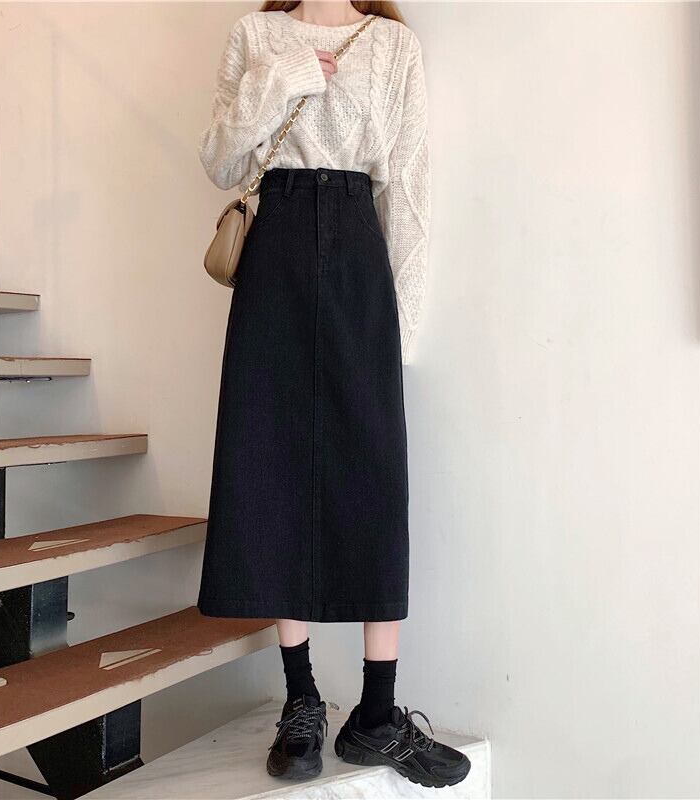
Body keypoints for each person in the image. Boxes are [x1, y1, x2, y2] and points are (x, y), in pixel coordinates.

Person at [197, 0, 470, 788]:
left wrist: (399, 332)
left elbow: (408, 189)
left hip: (358, 253)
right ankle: (302, 700)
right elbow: (219, 159)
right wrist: (281, 76)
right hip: (274, 251)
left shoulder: (392, 46)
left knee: (374, 476)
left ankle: (377, 715)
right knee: (274, 464)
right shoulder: (256, 36)